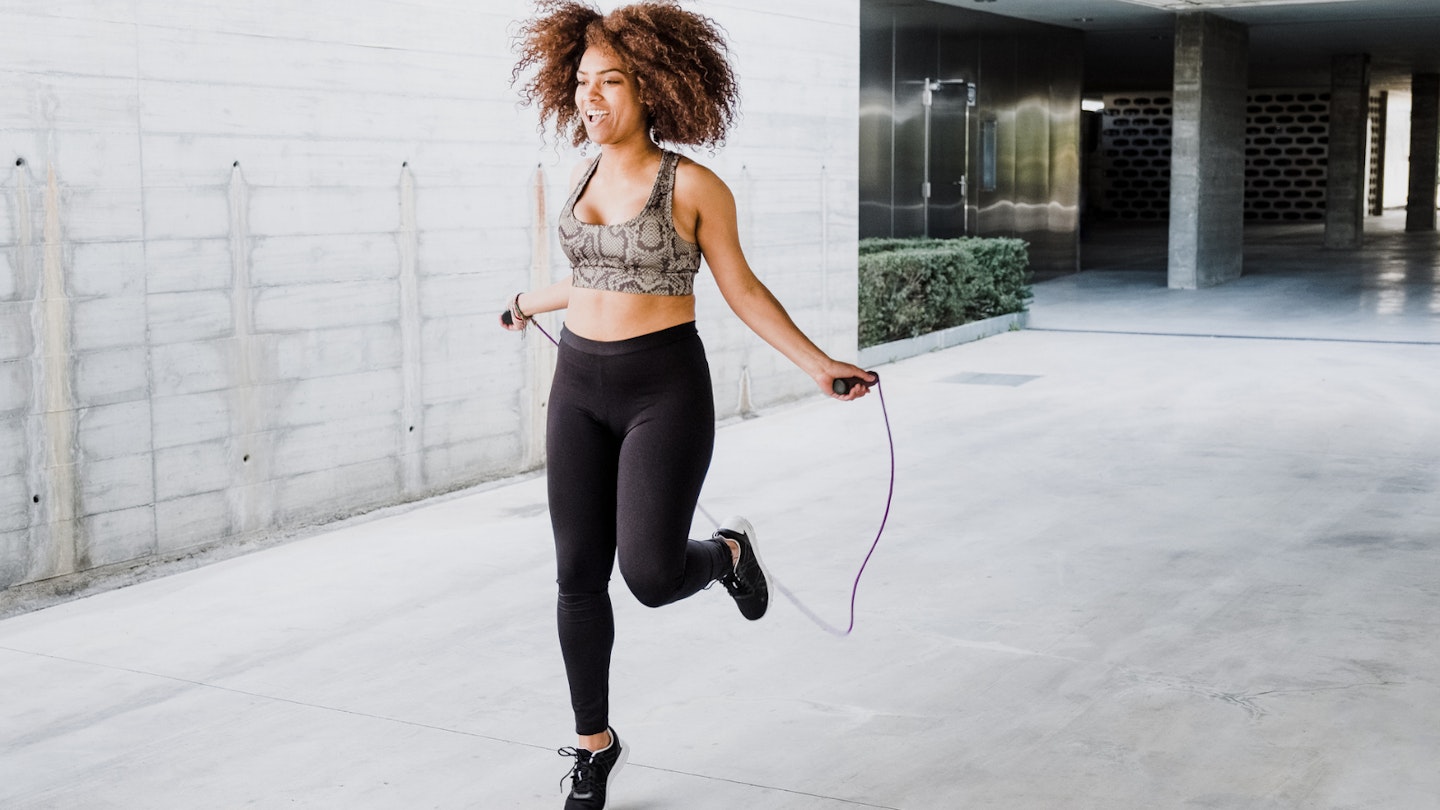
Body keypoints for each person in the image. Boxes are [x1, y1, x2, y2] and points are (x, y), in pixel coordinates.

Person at [504, 2, 874, 806]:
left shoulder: (693, 185)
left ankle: (727, 556)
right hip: (578, 387)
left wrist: (817, 365)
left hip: (660, 388)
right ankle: (592, 743)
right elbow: (596, 274)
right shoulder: (585, 171)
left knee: (648, 573)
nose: (590, 99)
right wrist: (530, 300)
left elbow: (740, 288)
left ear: (656, 86)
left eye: (610, 81)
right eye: (580, 84)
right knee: (575, 576)